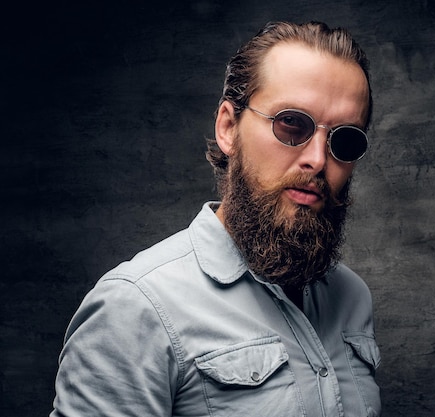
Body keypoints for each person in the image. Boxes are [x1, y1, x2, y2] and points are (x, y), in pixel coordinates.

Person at [50, 21, 381, 417]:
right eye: (291, 124)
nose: (317, 158)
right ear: (228, 127)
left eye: (344, 139)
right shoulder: (136, 309)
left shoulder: (352, 297)